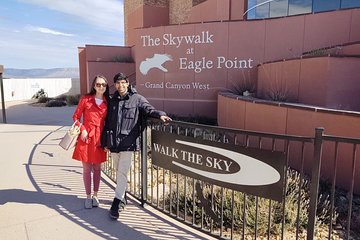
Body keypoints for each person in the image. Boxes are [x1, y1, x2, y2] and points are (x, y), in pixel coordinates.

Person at [101, 72, 172, 219]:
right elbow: (108, 123)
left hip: (128, 143)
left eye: (123, 82)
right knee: (117, 171)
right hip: (114, 144)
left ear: (128, 83)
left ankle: (116, 202)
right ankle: (123, 197)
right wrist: (105, 142)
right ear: (115, 85)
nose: (120, 86)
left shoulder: (137, 99)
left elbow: (149, 109)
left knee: (122, 173)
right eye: (118, 83)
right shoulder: (113, 101)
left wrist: (160, 115)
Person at [72, 75, 109, 209]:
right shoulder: (86, 99)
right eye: (98, 84)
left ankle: (96, 195)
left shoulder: (107, 101)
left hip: (99, 138)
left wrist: (108, 142)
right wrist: (82, 129)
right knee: (87, 169)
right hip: (86, 137)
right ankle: (88, 196)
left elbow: (110, 122)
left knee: (98, 169)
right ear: (94, 86)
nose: (101, 87)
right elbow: (75, 116)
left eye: (103, 85)